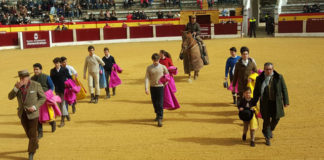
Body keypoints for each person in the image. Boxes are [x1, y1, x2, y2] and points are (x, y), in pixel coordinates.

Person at [8, 70, 46, 160]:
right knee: (28, 133)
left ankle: (31, 153)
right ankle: (35, 143)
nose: (22, 79)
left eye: (23, 78)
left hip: (33, 114)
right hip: (22, 114)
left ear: (28, 77)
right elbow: (10, 97)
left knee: (32, 134)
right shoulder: (17, 86)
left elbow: (43, 98)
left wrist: (35, 107)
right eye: (20, 78)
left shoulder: (36, 85)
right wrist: (16, 88)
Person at [252, 62, 289, 146]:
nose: (268, 71)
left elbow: (284, 89)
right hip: (265, 103)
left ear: (273, 69)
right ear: (264, 69)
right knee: (266, 120)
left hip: (276, 102)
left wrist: (286, 101)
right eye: (267, 69)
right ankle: (267, 137)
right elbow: (256, 91)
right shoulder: (259, 78)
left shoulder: (279, 77)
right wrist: (253, 102)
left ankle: (268, 130)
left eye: (270, 69)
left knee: (277, 118)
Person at [31, 63, 55, 139]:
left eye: (37, 69)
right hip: (36, 99)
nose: (35, 71)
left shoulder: (46, 77)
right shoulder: (32, 79)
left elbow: (51, 86)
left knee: (46, 114)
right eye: (34, 69)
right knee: (38, 116)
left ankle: (52, 123)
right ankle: (40, 132)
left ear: (41, 70)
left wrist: (48, 94)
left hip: (45, 98)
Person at [145, 53, 169, 127]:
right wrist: (146, 88)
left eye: (157, 60)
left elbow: (167, 75)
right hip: (152, 87)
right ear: (152, 60)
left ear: (159, 60)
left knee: (160, 103)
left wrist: (166, 82)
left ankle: (160, 118)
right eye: (154, 60)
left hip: (160, 87)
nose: (156, 62)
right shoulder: (149, 68)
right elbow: (147, 78)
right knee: (154, 102)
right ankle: (157, 114)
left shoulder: (163, 67)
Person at [50, 57, 72, 127]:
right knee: (59, 104)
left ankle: (62, 120)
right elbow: (51, 81)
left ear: (60, 63)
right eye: (55, 63)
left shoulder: (64, 69)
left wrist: (69, 84)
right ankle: (67, 114)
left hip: (64, 89)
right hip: (57, 89)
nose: (57, 64)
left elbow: (69, 77)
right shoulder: (52, 71)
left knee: (62, 104)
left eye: (58, 63)